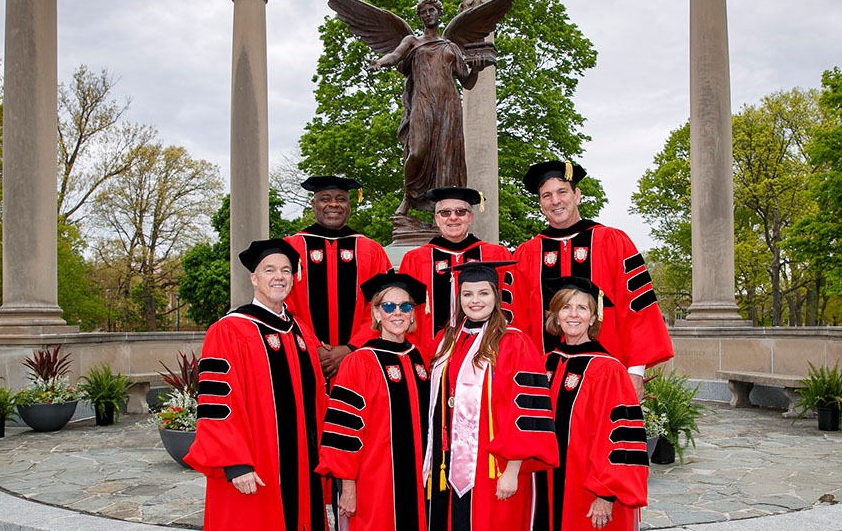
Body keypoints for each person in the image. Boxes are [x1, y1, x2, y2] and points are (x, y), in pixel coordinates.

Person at [184, 239, 332, 531]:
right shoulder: (230, 329)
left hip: (303, 467)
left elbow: (318, 398)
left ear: (293, 278)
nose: (279, 277)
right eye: (269, 270)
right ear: (254, 278)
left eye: (286, 270)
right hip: (257, 466)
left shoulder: (300, 332)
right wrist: (235, 463)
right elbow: (217, 401)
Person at [424, 261, 559, 531]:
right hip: (446, 469)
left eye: (483, 293)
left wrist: (513, 469)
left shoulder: (514, 342)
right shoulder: (446, 341)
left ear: (496, 296)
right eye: (467, 294)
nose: (475, 300)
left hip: (494, 469)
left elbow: (527, 411)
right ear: (458, 298)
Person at [510, 160, 673, 401]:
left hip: (607, 376)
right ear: (541, 203)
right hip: (543, 377)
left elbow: (637, 309)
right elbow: (517, 321)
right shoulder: (526, 254)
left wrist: (635, 372)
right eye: (547, 195)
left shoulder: (612, 242)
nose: (555, 201)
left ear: (577, 195)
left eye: (562, 192)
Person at [527, 277, 649, 531]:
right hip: (545, 487)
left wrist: (606, 494)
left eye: (582, 308)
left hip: (587, 490)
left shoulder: (608, 369)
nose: (573, 314)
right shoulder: (544, 363)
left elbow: (620, 438)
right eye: (566, 307)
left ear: (594, 317)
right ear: (555, 316)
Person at [317, 273, 432, 531]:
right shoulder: (361, 361)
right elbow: (344, 428)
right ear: (376, 314)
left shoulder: (418, 358)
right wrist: (348, 486)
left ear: (413, 315)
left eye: (405, 307)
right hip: (374, 481)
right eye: (389, 306)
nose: (397, 313)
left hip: (418, 480)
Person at [369, 0, 482, 215]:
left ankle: (445, 210)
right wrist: (380, 62)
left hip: (449, 106)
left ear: (439, 13)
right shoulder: (412, 41)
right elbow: (395, 55)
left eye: (432, 10)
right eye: (423, 12)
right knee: (417, 152)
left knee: (446, 157)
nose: (428, 14)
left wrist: (476, 69)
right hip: (422, 102)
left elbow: (467, 82)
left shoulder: (451, 47)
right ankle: (409, 196)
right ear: (420, 17)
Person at [285, 176, 392, 379]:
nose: (333, 204)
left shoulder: (370, 250)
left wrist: (351, 348)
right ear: (313, 204)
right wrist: (314, 346)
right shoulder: (291, 249)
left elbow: (381, 305)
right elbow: (283, 305)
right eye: (325, 199)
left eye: (341, 199)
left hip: (359, 359)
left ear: (349, 205)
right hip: (304, 357)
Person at [397, 186, 512, 355]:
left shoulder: (496, 255)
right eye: (445, 213)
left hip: (485, 352)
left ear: (470, 217)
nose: (453, 217)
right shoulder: (415, 259)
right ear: (437, 219)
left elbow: (508, 307)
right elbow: (405, 310)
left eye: (460, 212)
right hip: (429, 353)